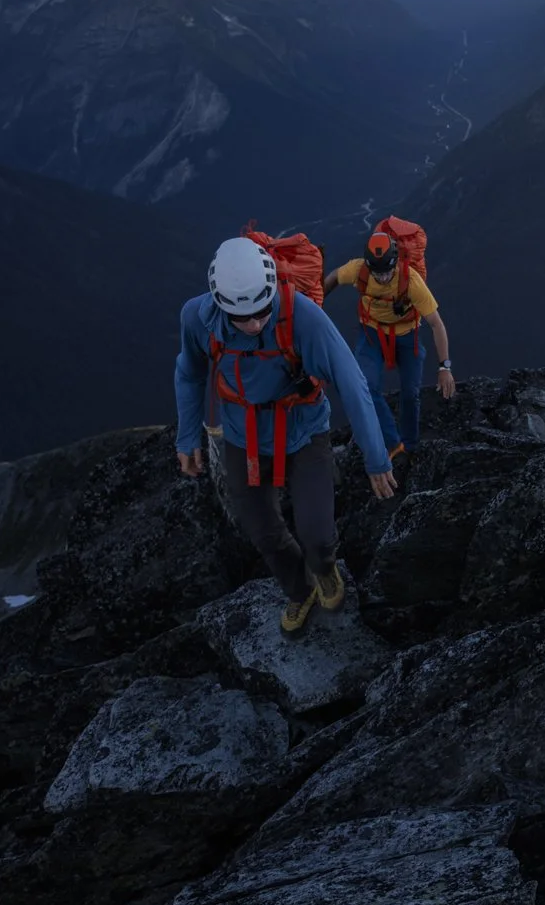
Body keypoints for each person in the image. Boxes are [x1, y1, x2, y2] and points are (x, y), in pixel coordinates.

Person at [175, 237, 398, 634]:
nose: (256, 324)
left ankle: (325, 569)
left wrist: (376, 458)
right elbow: (190, 372)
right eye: (242, 318)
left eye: (262, 311)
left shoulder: (302, 317)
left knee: (317, 534)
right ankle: (300, 591)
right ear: (219, 301)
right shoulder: (197, 317)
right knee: (263, 532)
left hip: (303, 430)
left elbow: (351, 383)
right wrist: (187, 435)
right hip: (242, 437)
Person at [329, 230, 456, 460]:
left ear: (395, 262)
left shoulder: (412, 281)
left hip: (407, 337)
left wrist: (444, 367)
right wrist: (314, 303)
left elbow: (437, 324)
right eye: (378, 273)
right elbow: (334, 277)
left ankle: (409, 445)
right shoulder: (359, 270)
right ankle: (393, 443)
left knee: (410, 393)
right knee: (366, 387)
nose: (383, 278)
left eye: (387, 272)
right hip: (372, 334)